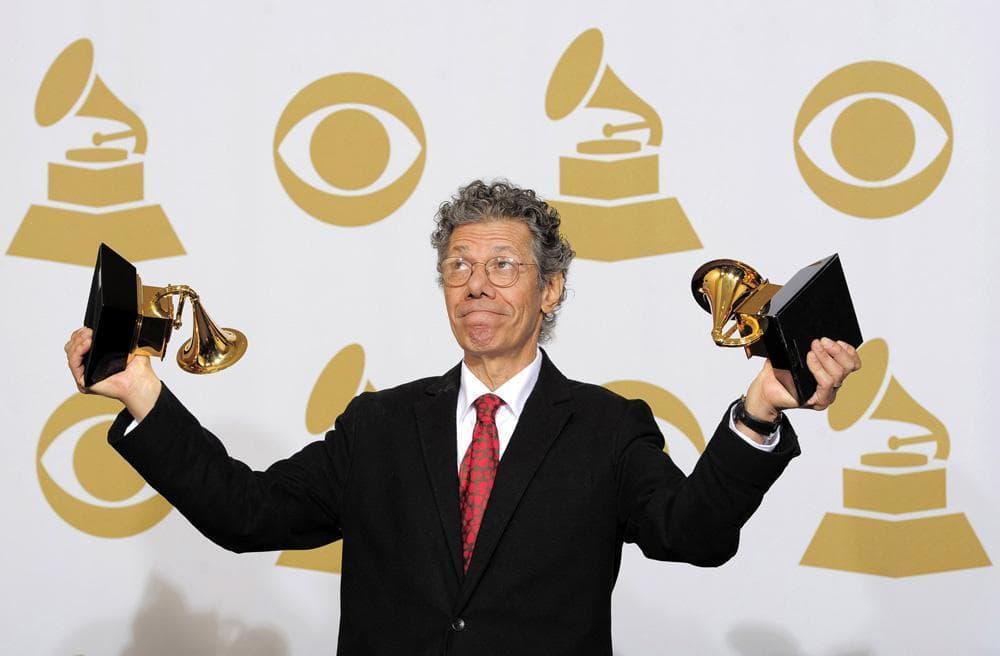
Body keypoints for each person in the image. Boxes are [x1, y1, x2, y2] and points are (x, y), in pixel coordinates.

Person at [64, 180, 861, 656]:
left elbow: (692, 534)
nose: (477, 284)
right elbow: (247, 513)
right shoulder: (378, 427)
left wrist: (759, 410)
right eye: (459, 266)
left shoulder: (607, 428)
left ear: (551, 290)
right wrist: (142, 394)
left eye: (503, 265)